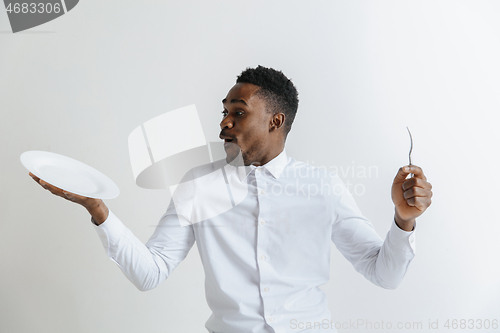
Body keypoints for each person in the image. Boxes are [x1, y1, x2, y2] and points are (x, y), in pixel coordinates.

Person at [29, 65, 433, 333]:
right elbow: (150, 273)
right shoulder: (198, 186)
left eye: (238, 113)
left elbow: (385, 275)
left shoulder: (322, 187)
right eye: (223, 111)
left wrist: (403, 220)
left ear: (276, 121)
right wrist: (98, 210)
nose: (223, 122)